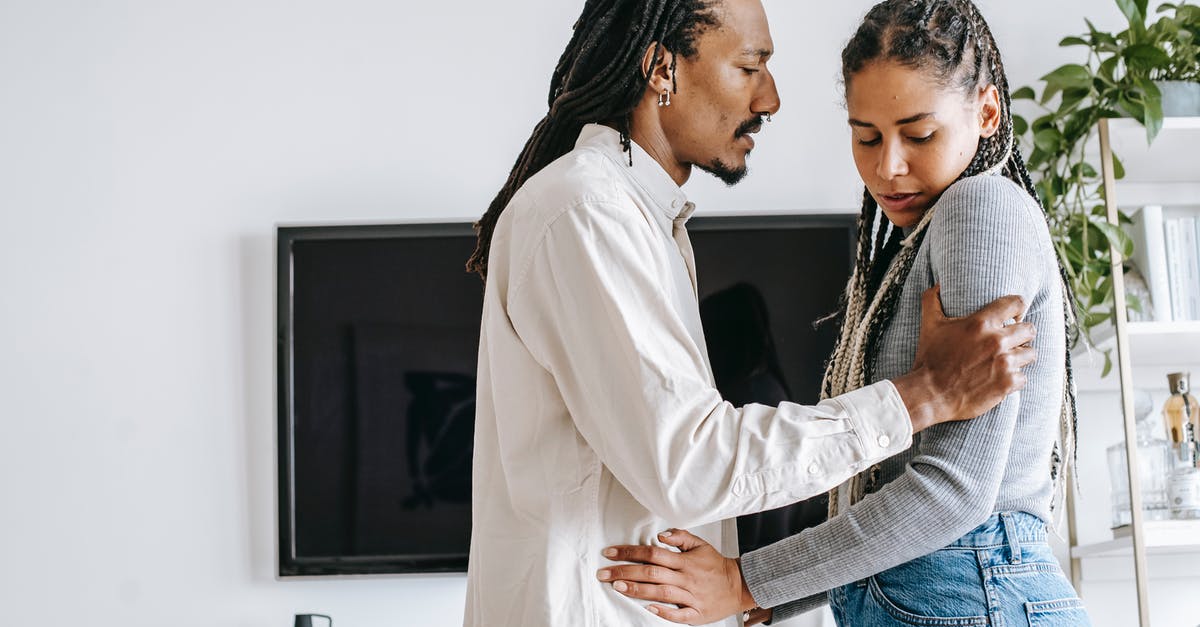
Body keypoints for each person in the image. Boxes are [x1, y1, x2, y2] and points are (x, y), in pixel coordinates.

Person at [465, 1, 1039, 626]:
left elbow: (958, 487)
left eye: (917, 134)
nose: (770, 99)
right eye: (749, 66)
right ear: (662, 69)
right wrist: (920, 396)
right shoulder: (587, 211)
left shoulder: (637, 220)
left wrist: (753, 588)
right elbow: (689, 461)